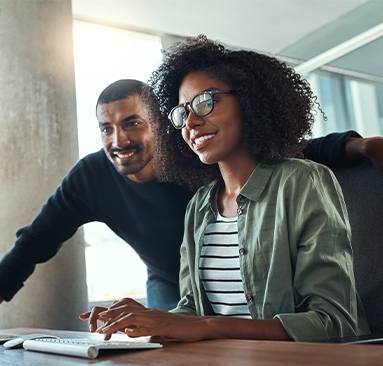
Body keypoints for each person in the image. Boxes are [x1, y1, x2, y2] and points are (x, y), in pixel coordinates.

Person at [0, 79, 382, 312]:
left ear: (160, 124)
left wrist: (359, 146)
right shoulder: (90, 177)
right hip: (170, 281)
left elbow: (287, 152)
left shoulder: (193, 151)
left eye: (132, 123)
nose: (119, 141)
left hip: (240, 275)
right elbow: (34, 242)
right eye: (106, 129)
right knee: (168, 349)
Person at [87, 35, 371, 343]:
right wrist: (145, 320)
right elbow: (194, 312)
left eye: (206, 101)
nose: (191, 122)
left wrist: (210, 326)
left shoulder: (302, 182)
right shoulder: (199, 206)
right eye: (183, 113)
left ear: (249, 100)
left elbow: (334, 323)